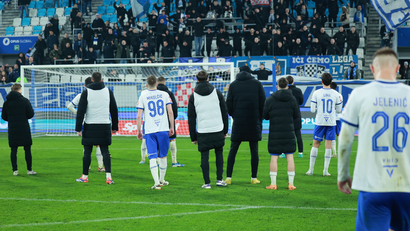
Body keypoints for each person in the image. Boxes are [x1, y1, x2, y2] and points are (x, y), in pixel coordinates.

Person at [337, 48, 410, 231]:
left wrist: (343, 173)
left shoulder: (359, 94)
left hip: (372, 183)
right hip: (406, 184)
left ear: (371, 68)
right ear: (398, 68)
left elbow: (345, 138)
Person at [75, 72, 118, 184]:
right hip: (104, 125)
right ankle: (109, 177)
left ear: (92, 80)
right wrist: (115, 126)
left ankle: (85, 176)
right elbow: (114, 110)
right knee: (105, 151)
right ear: (102, 79)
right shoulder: (108, 92)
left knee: (87, 152)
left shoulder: (86, 92)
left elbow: (81, 111)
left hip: (90, 125)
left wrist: (78, 128)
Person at [225, 66, 265, 185]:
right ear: (249, 72)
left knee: (233, 150)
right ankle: (253, 178)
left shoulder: (233, 85)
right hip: (254, 121)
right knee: (254, 150)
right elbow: (263, 103)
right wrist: (259, 118)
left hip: (239, 121)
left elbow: (229, 104)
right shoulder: (257, 84)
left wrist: (235, 115)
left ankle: (228, 177)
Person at [188, 71, 228, 189]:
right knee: (219, 153)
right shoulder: (217, 92)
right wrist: (225, 130)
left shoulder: (193, 96)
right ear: (208, 78)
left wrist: (193, 137)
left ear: (197, 79)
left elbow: (191, 118)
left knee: (204, 156)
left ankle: (207, 183)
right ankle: (219, 180)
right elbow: (224, 113)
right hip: (217, 128)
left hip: (203, 130)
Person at [136, 75, 175, 190]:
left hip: (149, 131)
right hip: (163, 129)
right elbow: (170, 112)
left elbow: (139, 116)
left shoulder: (143, 95)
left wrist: (139, 131)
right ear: (157, 84)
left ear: (147, 84)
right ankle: (162, 180)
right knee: (163, 156)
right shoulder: (165, 94)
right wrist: (171, 127)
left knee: (152, 157)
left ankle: (157, 182)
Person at [263, 77, 298, 190]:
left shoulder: (270, 99)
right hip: (289, 131)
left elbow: (265, 116)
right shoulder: (292, 99)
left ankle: (273, 184)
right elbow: (296, 115)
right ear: (287, 86)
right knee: (290, 157)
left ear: (277, 86)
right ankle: (291, 184)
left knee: (274, 158)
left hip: (275, 133)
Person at [306, 73, 342, 176]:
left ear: (322, 81)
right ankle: (325, 171)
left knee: (315, 144)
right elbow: (339, 110)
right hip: (331, 122)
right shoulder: (337, 94)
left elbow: (312, 110)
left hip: (320, 122)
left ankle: (311, 170)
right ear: (331, 82)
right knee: (328, 146)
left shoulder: (316, 93)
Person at [67, 77, 105, 172]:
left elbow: (69, 106)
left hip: (85, 123)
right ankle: (100, 167)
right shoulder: (98, 95)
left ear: (84, 85)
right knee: (98, 145)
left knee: (87, 146)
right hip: (96, 122)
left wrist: (79, 113)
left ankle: (87, 167)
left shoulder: (81, 95)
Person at [2, 84, 36, 175]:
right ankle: (29, 170)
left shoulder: (6, 102)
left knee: (13, 150)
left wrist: (13, 119)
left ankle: (15, 170)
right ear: (19, 90)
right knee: (27, 149)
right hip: (24, 128)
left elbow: (4, 117)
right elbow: (31, 114)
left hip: (13, 129)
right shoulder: (25, 101)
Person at [156, 77, 184, 167]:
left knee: (157, 140)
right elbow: (174, 108)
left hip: (156, 121)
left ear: (157, 83)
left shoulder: (154, 93)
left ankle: (157, 161)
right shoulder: (169, 93)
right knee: (172, 139)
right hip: (168, 119)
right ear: (165, 83)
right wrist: (172, 118)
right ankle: (174, 161)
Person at [286, 76, 304, 158]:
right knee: (298, 134)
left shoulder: (285, 91)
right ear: (293, 82)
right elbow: (301, 102)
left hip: (287, 114)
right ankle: (300, 152)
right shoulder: (298, 90)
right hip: (296, 114)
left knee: (285, 134)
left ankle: (284, 152)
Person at [329, 82, 342, 158]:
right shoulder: (339, 95)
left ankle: (334, 152)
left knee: (332, 135)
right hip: (338, 116)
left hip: (332, 117)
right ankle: (340, 151)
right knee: (339, 134)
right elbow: (339, 108)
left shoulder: (330, 95)